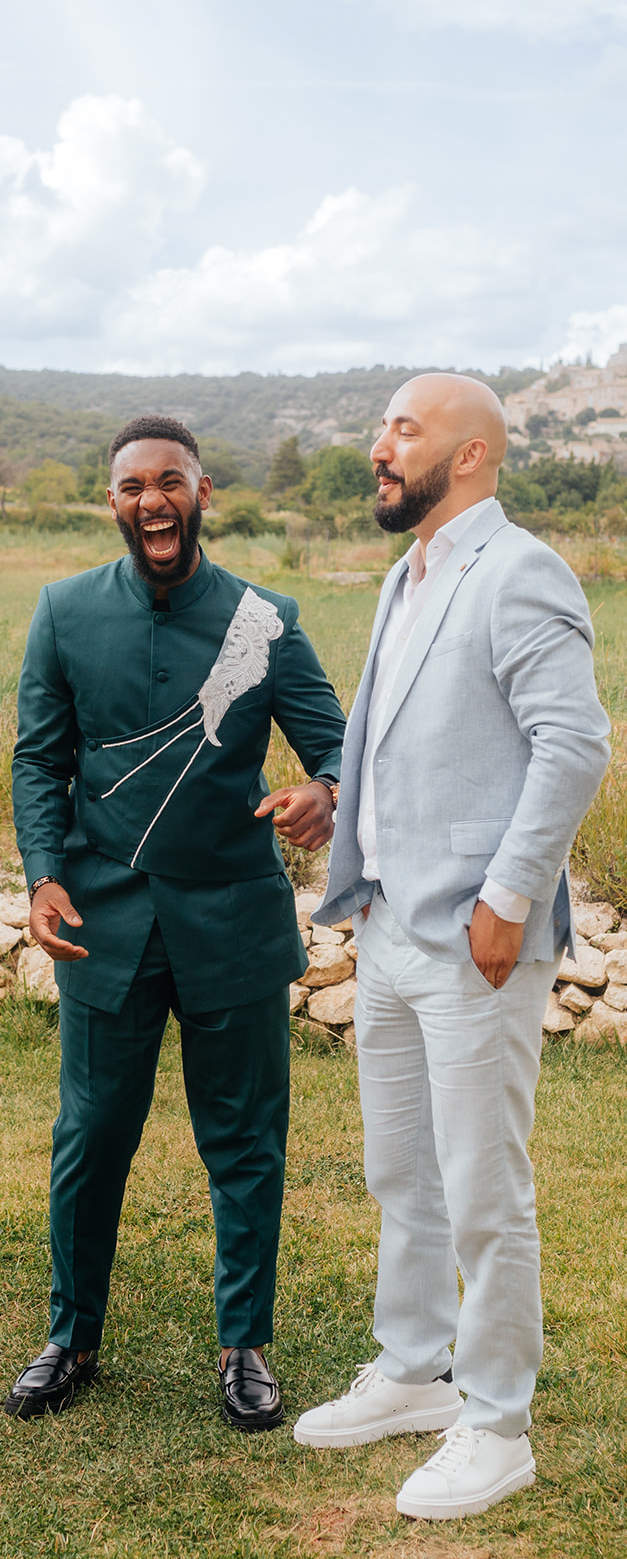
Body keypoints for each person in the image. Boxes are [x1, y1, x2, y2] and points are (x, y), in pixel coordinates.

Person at [294, 375, 609, 1519]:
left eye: (403, 430)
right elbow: (396, 732)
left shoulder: (517, 568)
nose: (379, 446)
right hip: (388, 925)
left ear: (469, 455)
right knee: (402, 1172)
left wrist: (508, 893)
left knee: (484, 1187)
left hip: (477, 938)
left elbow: (571, 741)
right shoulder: (404, 570)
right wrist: (338, 797)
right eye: (380, 425)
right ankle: (413, 1371)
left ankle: (493, 1422)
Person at [7, 415, 346, 1428]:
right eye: (129, 486)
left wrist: (321, 789)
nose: (149, 499)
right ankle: (71, 1336)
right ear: (111, 504)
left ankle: (243, 1343)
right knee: (88, 1135)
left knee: (243, 1140)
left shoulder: (264, 617)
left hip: (234, 920)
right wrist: (41, 876)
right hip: (101, 921)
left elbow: (335, 744)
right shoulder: (62, 612)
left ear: (202, 493)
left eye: (167, 482)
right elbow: (38, 760)